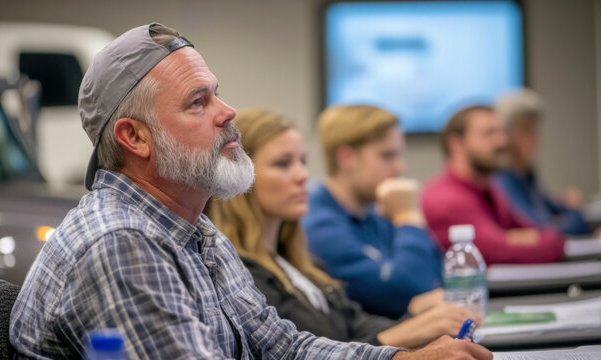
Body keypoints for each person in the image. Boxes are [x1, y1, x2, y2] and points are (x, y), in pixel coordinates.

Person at [9, 23, 492, 360]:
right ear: (135, 138)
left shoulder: (190, 226)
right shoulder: (120, 242)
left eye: (216, 93)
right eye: (198, 102)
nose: (228, 111)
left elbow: (281, 347)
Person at [209, 108, 481, 349]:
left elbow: (354, 326)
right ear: (241, 173)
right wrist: (411, 327)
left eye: (302, 162)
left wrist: (414, 315)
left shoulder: (296, 261)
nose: (303, 175)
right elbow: (308, 352)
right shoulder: (240, 273)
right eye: (283, 163)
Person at [302, 105, 443, 319]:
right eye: (387, 156)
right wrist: (408, 217)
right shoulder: (319, 226)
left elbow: (437, 278)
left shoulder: (376, 212)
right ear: (346, 158)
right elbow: (409, 291)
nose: (399, 168)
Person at [421, 105, 565, 264]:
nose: (502, 141)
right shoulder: (445, 199)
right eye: (489, 133)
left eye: (502, 132)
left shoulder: (490, 189)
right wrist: (514, 240)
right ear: (457, 144)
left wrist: (513, 239)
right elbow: (499, 253)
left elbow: (539, 231)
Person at [494, 89, 590, 236]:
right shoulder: (500, 180)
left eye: (535, 130)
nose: (534, 138)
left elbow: (555, 213)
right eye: (526, 130)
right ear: (505, 135)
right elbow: (536, 229)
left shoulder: (526, 175)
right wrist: (573, 217)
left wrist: (565, 207)